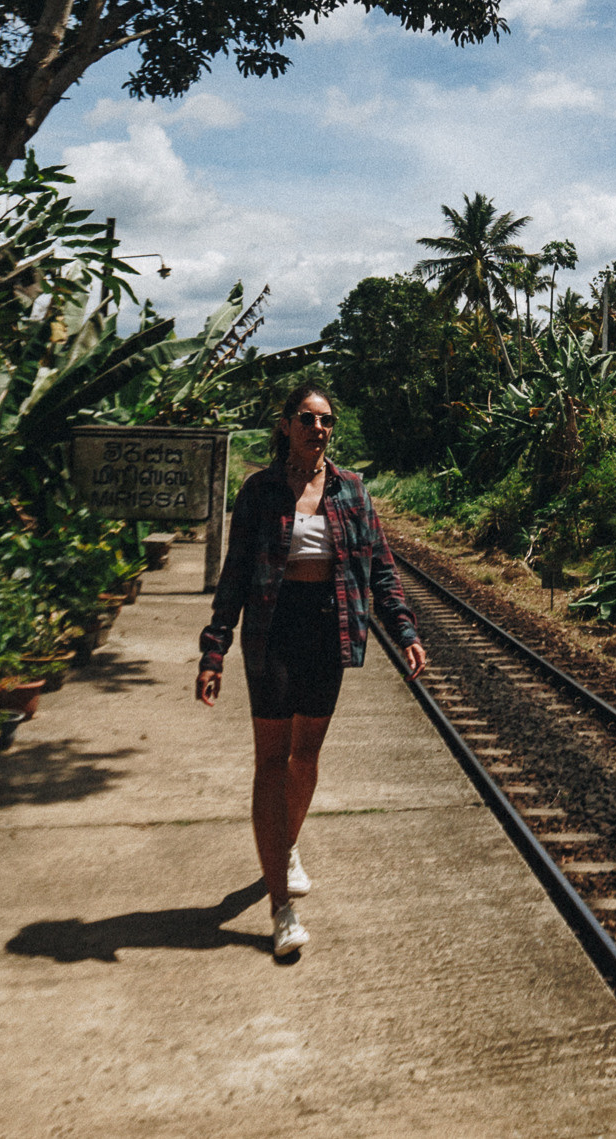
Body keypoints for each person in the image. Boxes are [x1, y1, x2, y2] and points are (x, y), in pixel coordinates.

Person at [195, 380, 427, 958]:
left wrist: (404, 631)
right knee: (271, 762)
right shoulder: (260, 491)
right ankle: (281, 907)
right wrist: (214, 649)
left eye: (325, 420)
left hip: (329, 628)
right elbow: (235, 577)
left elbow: (380, 568)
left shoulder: (352, 490)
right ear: (285, 425)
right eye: (306, 417)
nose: (316, 429)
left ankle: (285, 843)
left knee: (307, 757)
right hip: (272, 630)